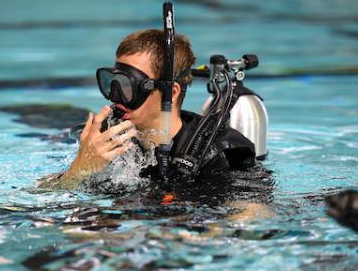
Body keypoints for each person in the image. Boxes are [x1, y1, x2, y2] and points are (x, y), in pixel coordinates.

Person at [38, 29, 255, 190]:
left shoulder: (215, 153)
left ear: (171, 92)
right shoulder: (109, 144)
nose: (117, 97)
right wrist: (80, 168)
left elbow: (252, 214)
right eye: (112, 83)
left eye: (128, 86)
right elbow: (37, 194)